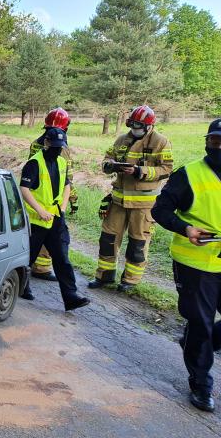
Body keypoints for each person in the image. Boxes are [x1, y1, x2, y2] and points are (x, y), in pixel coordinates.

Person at [151, 118, 221, 412]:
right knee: (201, 324)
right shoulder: (189, 174)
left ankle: (193, 342)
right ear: (206, 142)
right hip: (196, 264)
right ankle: (201, 384)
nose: (218, 147)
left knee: (201, 332)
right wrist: (186, 229)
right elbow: (160, 210)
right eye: (215, 142)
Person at [89, 105, 173, 292]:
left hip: (143, 206)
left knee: (137, 243)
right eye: (132, 125)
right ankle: (104, 275)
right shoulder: (121, 140)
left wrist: (139, 171)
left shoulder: (161, 142)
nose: (135, 130)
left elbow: (167, 169)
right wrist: (111, 166)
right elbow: (107, 159)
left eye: (139, 126)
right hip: (118, 201)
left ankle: (130, 281)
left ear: (149, 126)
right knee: (108, 240)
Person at [19, 128, 90, 311]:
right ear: (46, 143)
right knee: (28, 258)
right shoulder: (34, 163)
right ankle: (21, 287)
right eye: (55, 146)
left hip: (56, 218)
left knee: (62, 259)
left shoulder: (61, 162)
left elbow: (67, 186)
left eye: (61, 146)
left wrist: (63, 208)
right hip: (36, 221)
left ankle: (71, 296)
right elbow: (24, 189)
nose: (58, 149)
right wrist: (40, 210)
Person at [28, 108, 79, 281]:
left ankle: (31, 266)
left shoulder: (36, 142)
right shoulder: (61, 147)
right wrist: (73, 198)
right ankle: (41, 268)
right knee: (52, 234)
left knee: (36, 234)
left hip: (36, 195)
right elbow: (66, 176)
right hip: (52, 198)